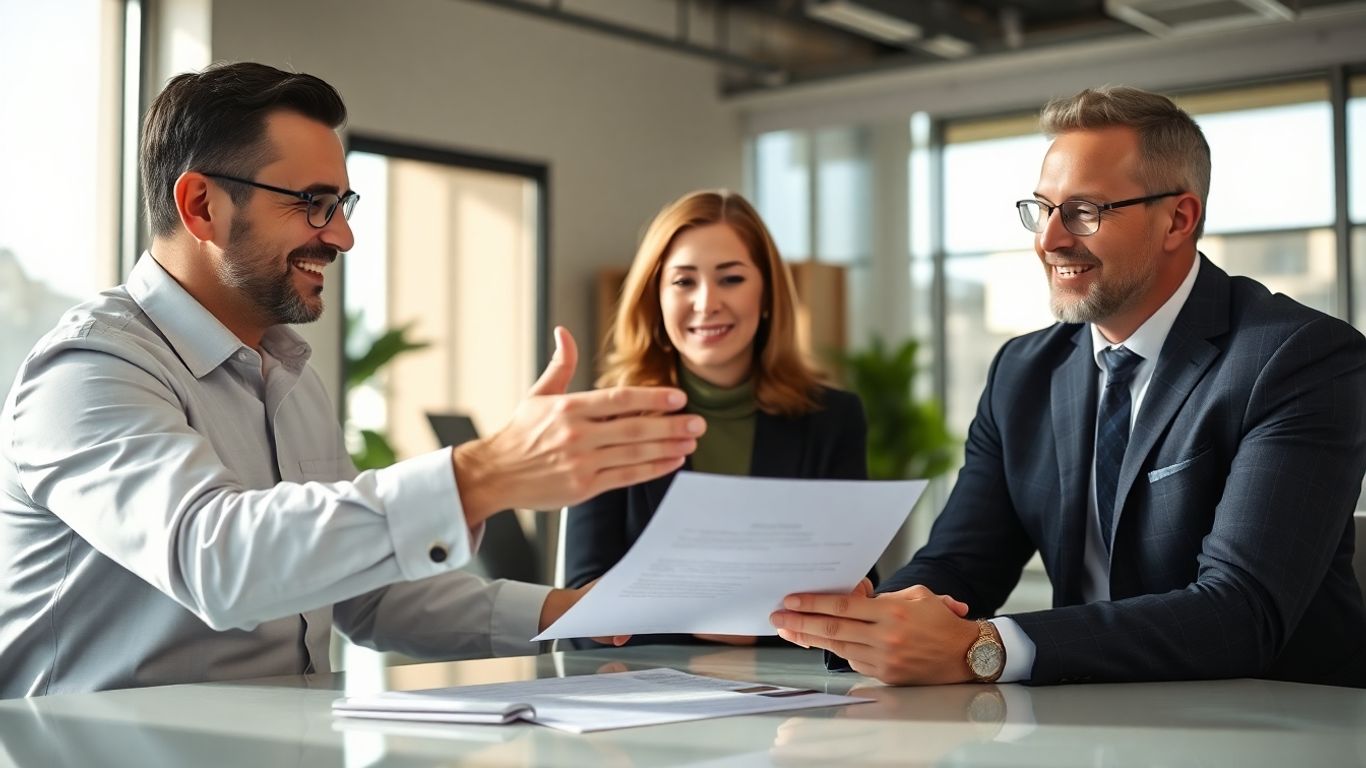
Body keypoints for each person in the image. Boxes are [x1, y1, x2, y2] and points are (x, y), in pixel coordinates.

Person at [0, 62, 706, 698]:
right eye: (313, 202)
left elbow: (366, 597)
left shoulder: (288, 377)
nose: (341, 236)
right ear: (202, 206)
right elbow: (216, 560)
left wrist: (569, 614)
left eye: (343, 204)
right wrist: (482, 474)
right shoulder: (87, 373)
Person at [770, 86, 1366, 687]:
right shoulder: (1023, 371)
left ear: (1178, 220)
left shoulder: (1297, 358)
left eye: (1085, 211)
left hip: (1279, 715)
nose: (1049, 240)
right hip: (1083, 713)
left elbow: (1242, 613)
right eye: (1043, 209)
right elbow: (961, 563)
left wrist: (986, 647)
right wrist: (869, 622)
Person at [564, 190, 868, 646]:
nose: (706, 303)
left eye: (731, 279)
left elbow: (854, 590)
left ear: (767, 294)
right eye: (683, 281)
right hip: (641, 678)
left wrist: (738, 629)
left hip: (786, 680)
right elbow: (585, 606)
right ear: (655, 298)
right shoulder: (610, 420)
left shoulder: (832, 418)